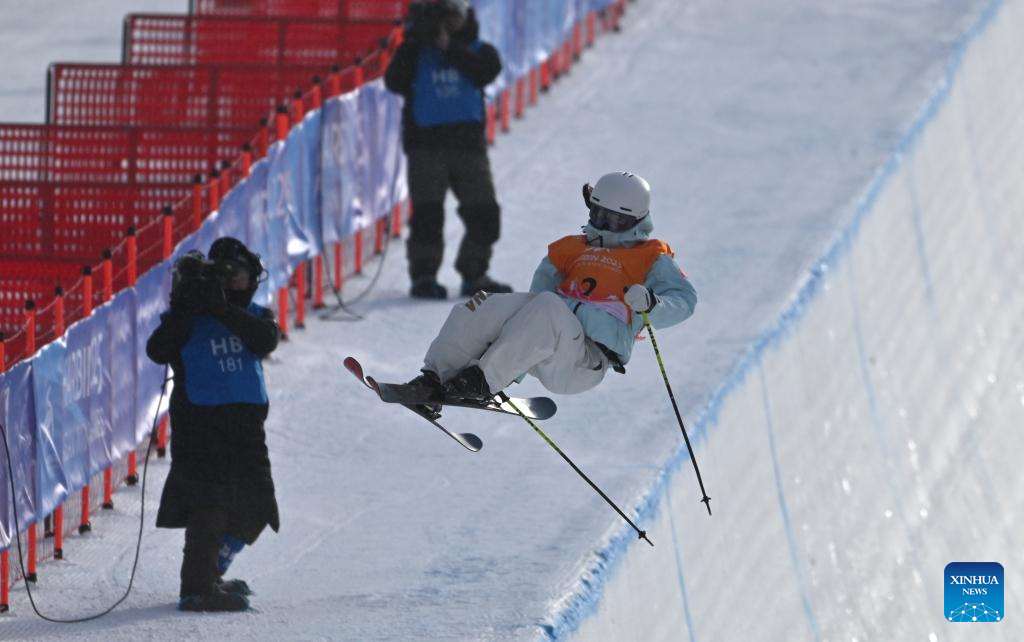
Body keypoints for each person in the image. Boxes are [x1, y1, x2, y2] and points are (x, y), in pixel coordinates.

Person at [405, 171, 697, 404]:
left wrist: (652, 304)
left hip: (586, 360)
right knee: (485, 303)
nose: (605, 226)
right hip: (550, 350)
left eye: (616, 220)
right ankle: (434, 376)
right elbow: (531, 313)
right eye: (599, 216)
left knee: (547, 306)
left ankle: (483, 380)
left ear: (636, 221)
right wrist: (512, 367)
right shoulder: (569, 250)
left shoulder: (649, 257)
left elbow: (685, 300)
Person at [146, 237, 280, 612]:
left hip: (246, 427)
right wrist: (189, 305)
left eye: (235, 274)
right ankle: (197, 587)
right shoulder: (188, 320)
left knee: (257, 503)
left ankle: (211, 573)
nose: (227, 281)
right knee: (209, 503)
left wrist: (220, 309)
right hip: (200, 424)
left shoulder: (254, 313)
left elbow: (265, 340)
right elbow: (157, 349)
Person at [384, 0, 513, 299]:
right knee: (428, 215)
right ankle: (424, 276)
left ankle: (474, 271)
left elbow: (486, 71)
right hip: (426, 146)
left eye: (451, 15)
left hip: (468, 146)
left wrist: (449, 48)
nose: (445, 22)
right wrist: (417, 40)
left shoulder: (479, 50)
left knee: (484, 212)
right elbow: (394, 80)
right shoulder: (414, 52)